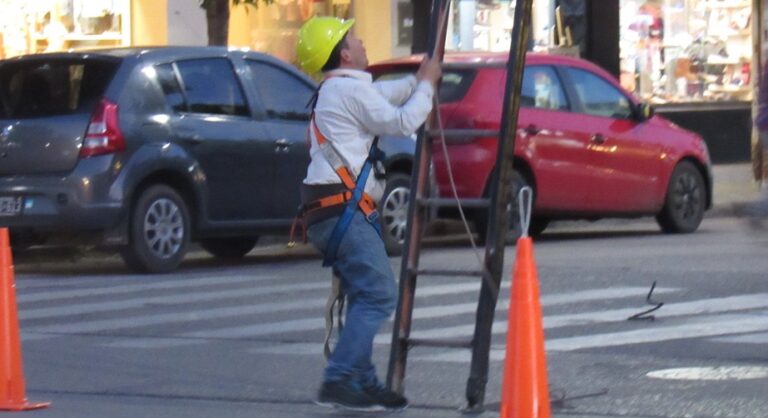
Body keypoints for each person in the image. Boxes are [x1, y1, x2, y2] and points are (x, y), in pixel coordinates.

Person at [295, 16, 441, 411]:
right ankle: (339, 378)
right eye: (354, 39)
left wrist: (417, 80)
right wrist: (427, 85)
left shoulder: (336, 90)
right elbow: (403, 121)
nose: (361, 43)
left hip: (332, 211)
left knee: (365, 294)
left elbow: (380, 94)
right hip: (344, 212)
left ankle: (360, 379)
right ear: (344, 54)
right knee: (378, 294)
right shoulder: (347, 91)